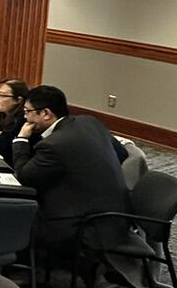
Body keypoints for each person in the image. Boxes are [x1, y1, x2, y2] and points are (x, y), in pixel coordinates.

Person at [11, 85, 129, 245]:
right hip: (117, 216)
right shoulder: (90, 122)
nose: (25, 118)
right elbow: (122, 154)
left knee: (16, 214)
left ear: (45, 113)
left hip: (84, 224)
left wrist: (21, 140)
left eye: (27, 112)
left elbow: (25, 176)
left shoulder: (54, 144)